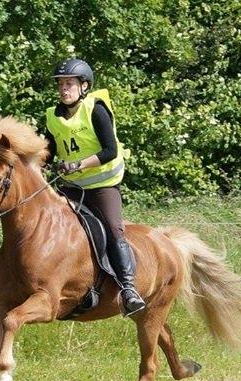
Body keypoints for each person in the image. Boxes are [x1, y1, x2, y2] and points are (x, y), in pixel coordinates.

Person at [44, 58, 146, 316]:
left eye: (69, 84)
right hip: (70, 188)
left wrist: (78, 164)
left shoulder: (96, 110)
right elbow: (47, 152)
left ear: (84, 86)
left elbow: (110, 151)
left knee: (113, 230)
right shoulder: (52, 117)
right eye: (61, 85)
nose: (64, 89)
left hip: (102, 187)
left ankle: (128, 288)